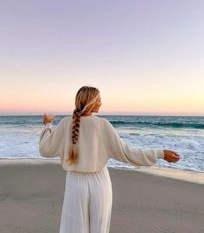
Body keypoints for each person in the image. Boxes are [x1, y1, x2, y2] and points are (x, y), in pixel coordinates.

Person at [39, 86, 180, 233]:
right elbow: (127, 153)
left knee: (74, 228)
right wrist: (160, 153)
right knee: (99, 228)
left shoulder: (65, 123)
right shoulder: (102, 125)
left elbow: (45, 149)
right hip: (99, 182)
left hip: (75, 184)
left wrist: (48, 124)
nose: (101, 103)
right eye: (99, 100)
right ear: (90, 102)